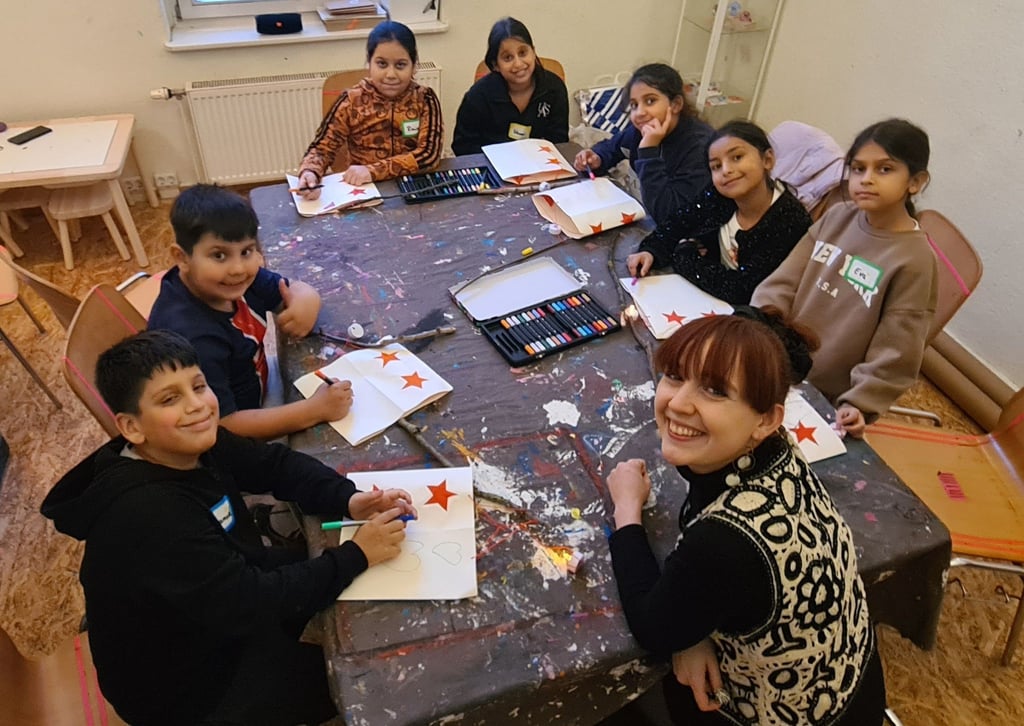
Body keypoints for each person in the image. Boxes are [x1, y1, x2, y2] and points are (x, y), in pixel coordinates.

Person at [40, 330, 415, 726]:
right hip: (186, 691)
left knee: (322, 584)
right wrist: (357, 554)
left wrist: (349, 498)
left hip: (215, 606)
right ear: (132, 428)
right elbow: (251, 604)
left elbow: (272, 464)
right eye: (170, 399)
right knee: (372, 681)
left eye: (198, 386)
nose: (197, 406)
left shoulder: (188, 442)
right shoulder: (152, 516)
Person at [606, 309, 885, 724]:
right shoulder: (777, 450)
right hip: (852, 687)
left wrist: (627, 511)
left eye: (715, 391)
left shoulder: (723, 542)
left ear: (767, 419)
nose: (679, 403)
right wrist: (694, 633)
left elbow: (653, 627)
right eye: (675, 376)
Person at [752, 118, 936, 437]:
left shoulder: (915, 260)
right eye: (858, 168)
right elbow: (783, 281)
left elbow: (896, 351)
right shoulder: (838, 216)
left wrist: (861, 403)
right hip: (776, 359)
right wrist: (759, 327)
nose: (866, 179)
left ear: (916, 182)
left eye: (884, 169)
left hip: (823, 395)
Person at [148, 184, 353, 440]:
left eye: (246, 251)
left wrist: (307, 300)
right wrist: (313, 411)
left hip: (259, 391)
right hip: (237, 434)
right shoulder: (191, 337)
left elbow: (290, 290)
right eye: (219, 255)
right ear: (182, 258)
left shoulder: (232, 281)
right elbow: (222, 425)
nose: (238, 268)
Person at [627, 120, 811, 305]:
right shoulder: (721, 196)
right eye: (716, 166)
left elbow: (741, 290)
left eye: (737, 157)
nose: (726, 170)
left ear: (767, 160)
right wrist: (651, 250)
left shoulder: (791, 220)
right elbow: (679, 222)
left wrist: (685, 256)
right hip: (706, 299)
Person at [296, 20, 443, 197]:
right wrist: (310, 173)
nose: (390, 74)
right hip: (364, 191)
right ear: (369, 62)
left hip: (414, 187)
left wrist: (371, 171)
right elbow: (322, 148)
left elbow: (429, 155)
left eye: (400, 65)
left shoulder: (425, 99)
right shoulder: (351, 100)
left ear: (414, 65)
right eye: (382, 64)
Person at [572, 63, 713, 226]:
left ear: (675, 105)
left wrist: (648, 151)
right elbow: (613, 147)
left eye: (650, 101)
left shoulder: (699, 147)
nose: (639, 112)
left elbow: (669, 215)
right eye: (634, 105)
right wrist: (597, 158)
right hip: (642, 215)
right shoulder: (639, 131)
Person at [451, 17, 569, 156]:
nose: (518, 64)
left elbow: (559, 141)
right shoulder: (478, 96)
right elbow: (463, 146)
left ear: (533, 51)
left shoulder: (554, 88)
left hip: (541, 165)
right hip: (492, 168)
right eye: (508, 58)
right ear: (495, 65)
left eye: (523, 53)